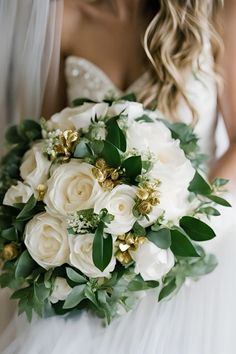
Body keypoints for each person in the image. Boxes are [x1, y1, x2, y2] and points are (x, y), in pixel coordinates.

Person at [0, 1, 235, 353]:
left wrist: (186, 226)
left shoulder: (217, 12)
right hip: (93, 263)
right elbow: (50, 144)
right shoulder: (64, 16)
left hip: (196, 243)